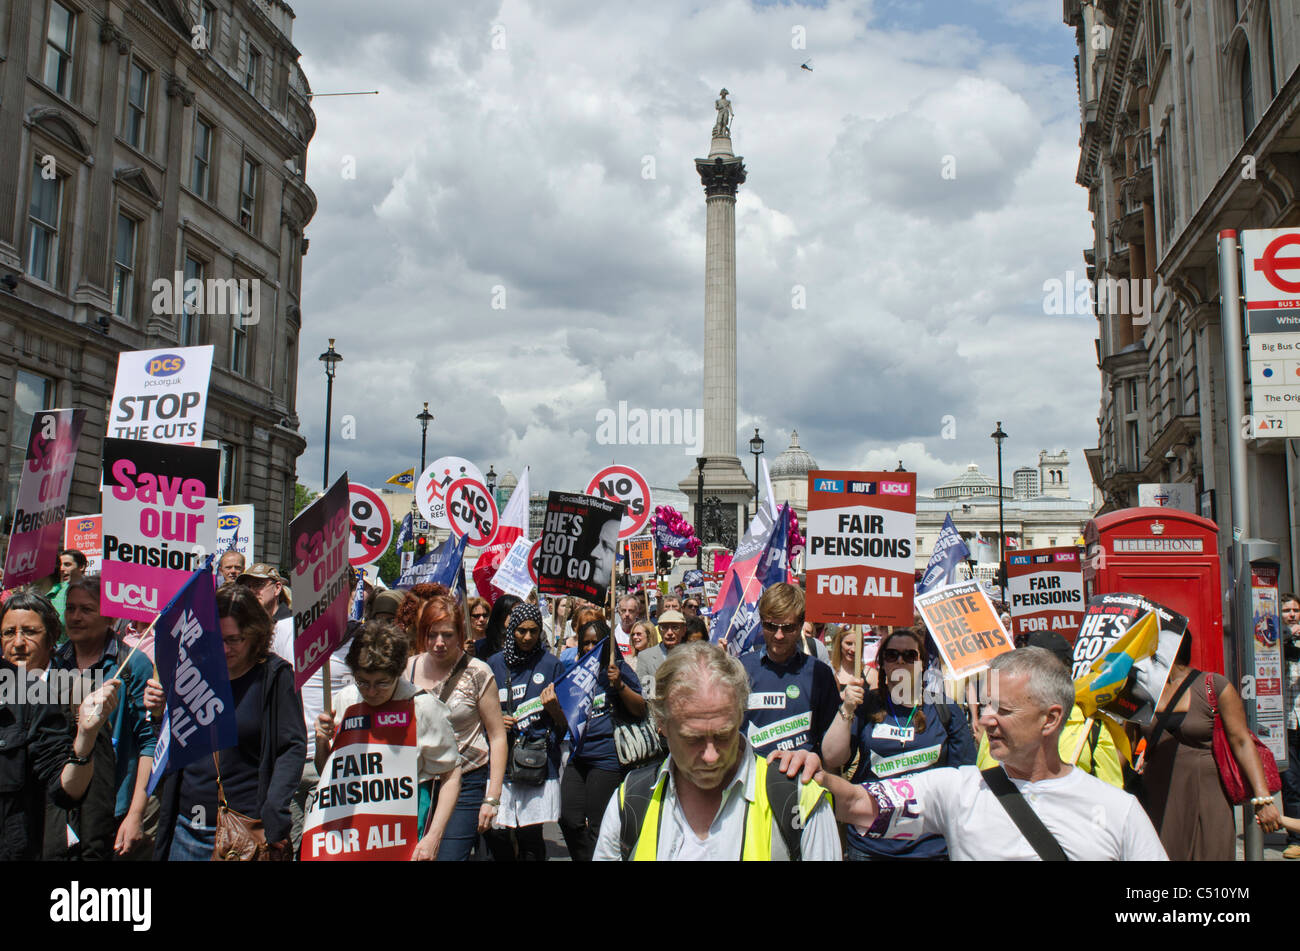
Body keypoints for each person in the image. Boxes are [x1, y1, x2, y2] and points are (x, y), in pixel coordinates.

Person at [773, 647, 1169, 860]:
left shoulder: (1120, 812)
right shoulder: (957, 790)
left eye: (1005, 710)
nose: (987, 720)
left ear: (1051, 720)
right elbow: (861, 802)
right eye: (988, 705)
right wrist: (816, 776)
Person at [593, 640, 838, 860]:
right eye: (693, 739)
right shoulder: (631, 801)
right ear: (661, 724)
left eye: (723, 735)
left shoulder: (798, 799)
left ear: (741, 715)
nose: (711, 756)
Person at [146, 584, 306, 860]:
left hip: (243, 834)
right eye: (216, 638)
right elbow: (174, 741)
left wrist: (275, 810)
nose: (224, 648)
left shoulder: (274, 677)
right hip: (186, 829)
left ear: (255, 634)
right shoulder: (193, 670)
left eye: (234, 640)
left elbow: (291, 747)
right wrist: (159, 713)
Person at [821, 627, 975, 860]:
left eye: (910, 656)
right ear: (882, 663)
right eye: (892, 655)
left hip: (929, 846)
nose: (900, 661)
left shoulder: (945, 709)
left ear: (922, 663)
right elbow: (832, 757)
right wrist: (847, 709)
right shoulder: (866, 704)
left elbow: (965, 778)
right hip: (872, 845)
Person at [314, 620, 462, 860]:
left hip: (405, 835)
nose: (371, 692)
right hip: (354, 837)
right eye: (363, 682)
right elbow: (327, 774)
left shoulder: (422, 707)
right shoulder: (346, 701)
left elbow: (451, 774)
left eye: (382, 683)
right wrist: (322, 741)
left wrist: (433, 837)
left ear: (397, 673)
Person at [1137, 629, 1281, 860]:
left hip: (1207, 795)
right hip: (1157, 795)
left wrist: (1263, 799)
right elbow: (1125, 744)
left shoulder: (1214, 685)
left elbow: (1242, 741)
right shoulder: (1142, 690)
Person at [0, 596, 121, 860]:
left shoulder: (80, 694)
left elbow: (95, 800)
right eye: (9, 633)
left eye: (30, 632)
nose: (18, 643)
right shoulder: (6, 699)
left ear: (52, 637)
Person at [52, 576, 156, 858]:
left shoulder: (132, 664)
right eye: (70, 608)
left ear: (109, 617)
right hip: (65, 804)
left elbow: (149, 745)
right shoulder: (56, 663)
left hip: (114, 809)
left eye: (86, 609)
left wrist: (135, 814)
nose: (75, 617)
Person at [404, 584, 508, 860]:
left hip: (466, 779)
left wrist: (492, 797)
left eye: (447, 635)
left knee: (448, 855)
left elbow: (497, 736)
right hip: (418, 782)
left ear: (461, 634)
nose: (439, 642)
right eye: (432, 634)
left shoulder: (478, 673)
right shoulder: (408, 669)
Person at [550, 618, 645, 861]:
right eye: (586, 643)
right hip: (578, 755)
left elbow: (640, 710)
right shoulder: (575, 673)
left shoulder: (618, 670)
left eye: (596, 643)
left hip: (607, 758)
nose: (590, 648)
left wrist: (620, 686)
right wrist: (552, 708)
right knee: (569, 819)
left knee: (598, 825)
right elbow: (565, 721)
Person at [976, 631, 1122, 788]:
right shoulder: (997, 726)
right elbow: (981, 779)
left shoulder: (1093, 728)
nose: (986, 720)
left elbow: (1112, 797)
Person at [485, 603, 566, 860]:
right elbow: (479, 712)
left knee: (530, 837)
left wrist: (553, 709)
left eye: (533, 631)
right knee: (497, 832)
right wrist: (496, 720)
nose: (528, 637)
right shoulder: (493, 665)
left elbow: (565, 726)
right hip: (501, 764)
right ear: (511, 631)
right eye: (521, 631)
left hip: (535, 762)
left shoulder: (551, 665)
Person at [739, 583, 839, 759]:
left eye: (788, 628)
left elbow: (831, 746)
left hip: (802, 780)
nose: (779, 635)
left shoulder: (820, 673)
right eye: (771, 626)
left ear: (800, 625)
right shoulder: (740, 670)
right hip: (752, 778)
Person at [1282, 592, 1300, 859]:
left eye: (1296, 610)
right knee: (1292, 782)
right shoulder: (1274, 642)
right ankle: (1296, 839)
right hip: (1285, 722)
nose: (1293, 614)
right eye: (1287, 611)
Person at [44, 549, 87, 630]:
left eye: (67, 564)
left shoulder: (94, 590)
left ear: (81, 567)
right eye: (60, 565)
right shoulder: (53, 591)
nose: (62, 569)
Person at [474, 594, 522, 660]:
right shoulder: (479, 647)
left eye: (520, 613)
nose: (518, 617)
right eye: (513, 613)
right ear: (501, 614)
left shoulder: (526, 646)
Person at [614, 594, 644, 660]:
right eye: (623, 610)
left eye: (631, 611)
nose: (627, 614)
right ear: (619, 612)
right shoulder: (612, 632)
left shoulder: (644, 632)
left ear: (637, 612)